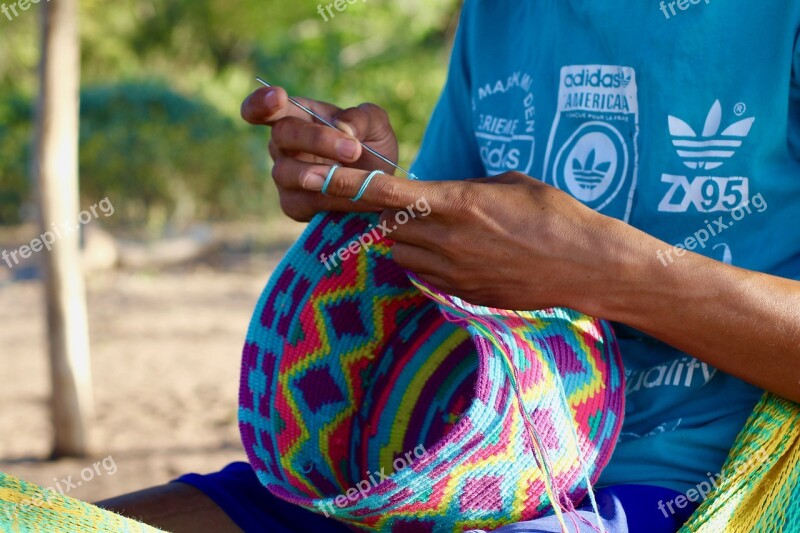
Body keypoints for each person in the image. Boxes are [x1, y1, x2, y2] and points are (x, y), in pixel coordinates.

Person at [98, 1, 800, 531]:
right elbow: (454, 257)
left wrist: (599, 269)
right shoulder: (500, 14)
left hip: (691, 488)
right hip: (449, 470)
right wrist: (369, 187)